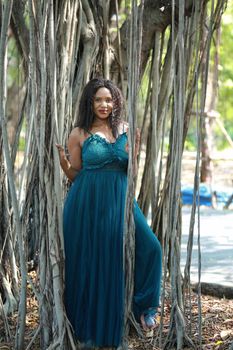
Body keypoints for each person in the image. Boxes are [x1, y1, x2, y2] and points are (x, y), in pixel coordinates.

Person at [56, 78, 162, 348]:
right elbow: (75, 174)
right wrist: (63, 163)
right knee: (94, 264)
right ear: (90, 103)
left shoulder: (127, 129)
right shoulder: (79, 133)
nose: (104, 104)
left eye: (108, 99)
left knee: (152, 247)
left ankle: (145, 308)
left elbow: (130, 170)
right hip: (86, 204)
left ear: (115, 102)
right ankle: (91, 330)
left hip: (121, 200)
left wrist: (134, 151)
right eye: (98, 100)